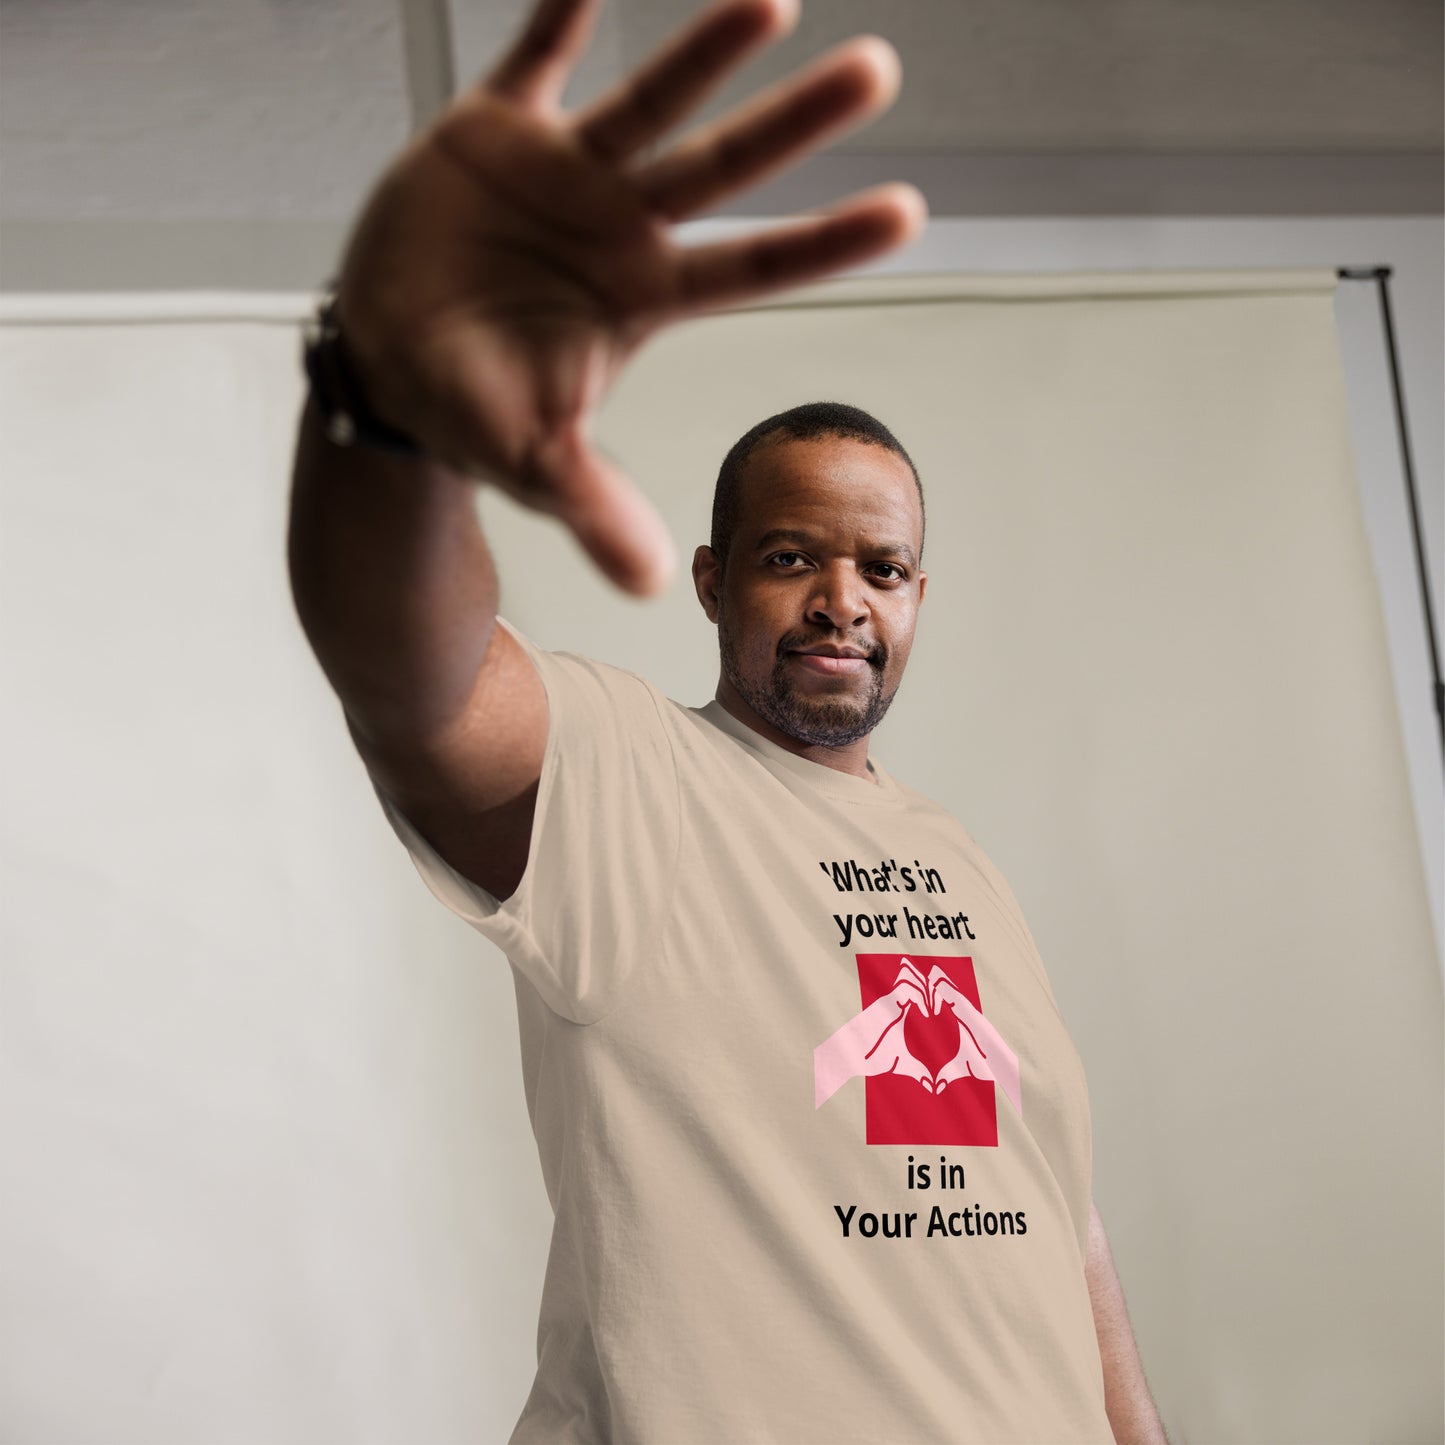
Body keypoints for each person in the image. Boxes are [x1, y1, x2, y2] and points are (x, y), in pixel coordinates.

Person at [287, 0, 1169, 1439]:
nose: (840, 599)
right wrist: (391, 406)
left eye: (879, 568)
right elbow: (415, 683)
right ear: (711, 580)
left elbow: (1053, 1212)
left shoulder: (956, 860)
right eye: (788, 557)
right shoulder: (632, 776)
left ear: (918, 595)